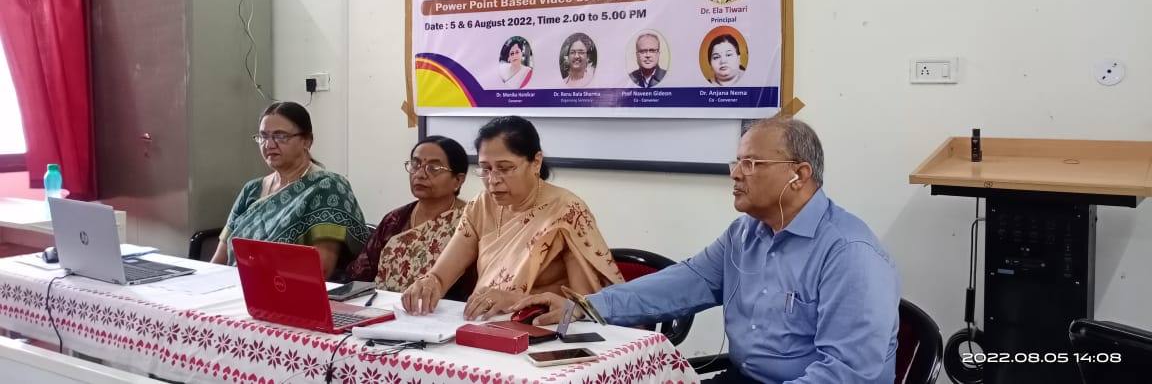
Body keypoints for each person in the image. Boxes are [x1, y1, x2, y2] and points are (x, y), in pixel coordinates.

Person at [513, 115, 901, 384]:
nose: (735, 173)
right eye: (737, 161)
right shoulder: (745, 234)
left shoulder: (849, 254)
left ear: (798, 175)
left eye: (751, 163)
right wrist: (585, 306)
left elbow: (847, 373)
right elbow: (683, 283)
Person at [401, 115, 624, 320]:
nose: (493, 180)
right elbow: (443, 273)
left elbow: (584, 305)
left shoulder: (566, 212)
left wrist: (516, 300)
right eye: (485, 169)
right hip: (484, 323)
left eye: (505, 168)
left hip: (540, 326)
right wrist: (430, 282)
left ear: (536, 162)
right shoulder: (481, 205)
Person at [211, 101, 369, 280]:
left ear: (307, 141)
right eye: (263, 136)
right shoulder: (251, 190)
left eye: (280, 136)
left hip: (291, 290)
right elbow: (220, 259)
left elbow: (321, 269)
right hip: (235, 287)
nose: (269, 145)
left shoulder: (327, 187)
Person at [344, 136, 476, 299]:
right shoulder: (394, 220)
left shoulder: (471, 222)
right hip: (381, 307)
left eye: (434, 168)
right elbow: (359, 275)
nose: (420, 174)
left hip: (442, 310)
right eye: (415, 165)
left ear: (458, 180)